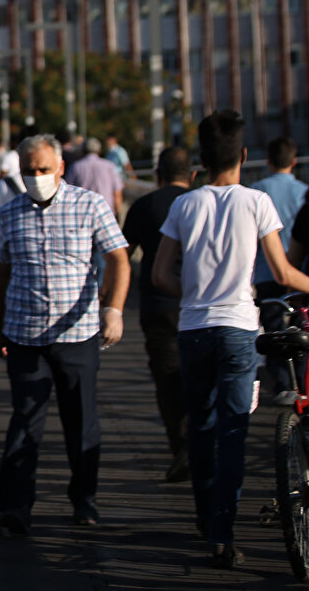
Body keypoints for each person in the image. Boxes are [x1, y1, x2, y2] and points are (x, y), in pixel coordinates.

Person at [152, 111, 309, 569]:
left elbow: (161, 274)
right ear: (244, 155)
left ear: (201, 159)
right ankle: (223, 532)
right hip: (240, 328)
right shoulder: (257, 202)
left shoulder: (184, 205)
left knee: (199, 428)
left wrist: (196, 291)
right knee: (234, 431)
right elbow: (282, 272)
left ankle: (205, 522)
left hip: (193, 329)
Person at [0, 134, 130, 534]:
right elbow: (1, 273)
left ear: (60, 168)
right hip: (24, 333)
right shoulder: (10, 213)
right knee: (25, 419)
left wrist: (114, 310)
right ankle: (15, 505)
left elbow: (119, 259)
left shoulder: (89, 205)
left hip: (79, 333)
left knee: (81, 420)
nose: (36, 177)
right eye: (28, 171)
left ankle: (84, 500)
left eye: (43, 170)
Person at [121, 146, 193, 483]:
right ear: (192, 175)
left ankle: (180, 446)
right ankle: (201, 441)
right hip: (198, 305)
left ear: (158, 175)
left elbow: (124, 255)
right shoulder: (199, 204)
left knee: (167, 380)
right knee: (201, 377)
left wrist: (112, 303)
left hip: (157, 305)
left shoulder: (144, 206)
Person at [250, 137, 309, 352]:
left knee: (274, 338)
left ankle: (280, 382)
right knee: (301, 337)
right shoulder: (303, 192)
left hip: (266, 273)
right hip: (299, 277)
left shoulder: (255, 192)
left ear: (268, 161)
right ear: (293, 162)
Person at [65, 137, 124, 219]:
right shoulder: (109, 166)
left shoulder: (75, 167)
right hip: (106, 213)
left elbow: (67, 192)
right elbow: (117, 192)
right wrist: (118, 213)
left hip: (83, 215)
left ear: (83, 151)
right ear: (99, 151)